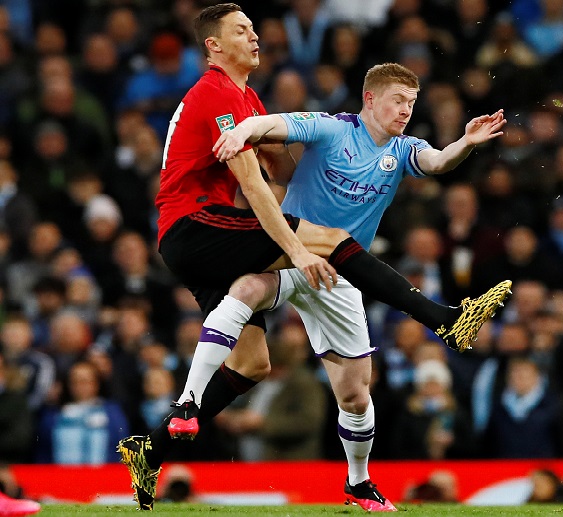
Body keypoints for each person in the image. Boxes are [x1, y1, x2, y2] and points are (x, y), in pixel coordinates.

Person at [117, 3, 511, 512]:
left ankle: (153, 448)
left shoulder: (249, 97)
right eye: (242, 30)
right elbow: (257, 183)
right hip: (201, 225)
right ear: (213, 45)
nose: (256, 35)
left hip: (318, 266)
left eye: (255, 27)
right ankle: (444, 318)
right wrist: (296, 247)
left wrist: (464, 142)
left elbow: (279, 157)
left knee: (275, 370)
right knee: (278, 268)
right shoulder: (227, 95)